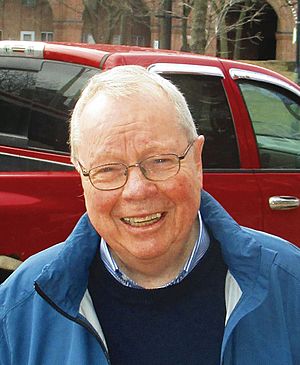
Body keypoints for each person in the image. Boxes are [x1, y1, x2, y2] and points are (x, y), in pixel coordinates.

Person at [1, 65, 300, 365]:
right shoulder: (19, 308)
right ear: (81, 176)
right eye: (107, 169)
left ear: (197, 161)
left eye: (159, 160)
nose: (137, 190)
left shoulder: (289, 284)